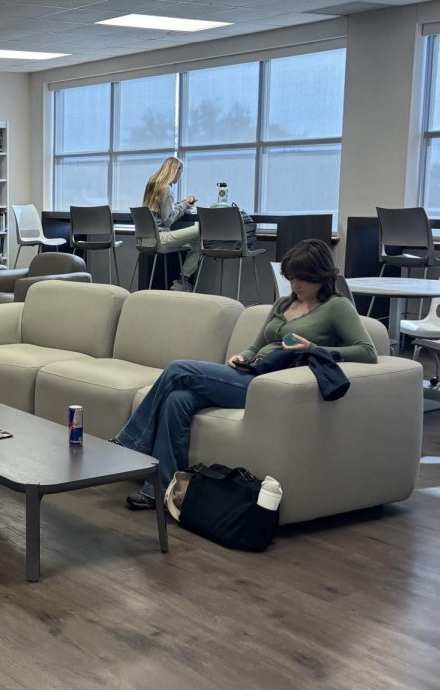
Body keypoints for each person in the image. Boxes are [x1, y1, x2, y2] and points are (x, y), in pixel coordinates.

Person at [115, 239, 378, 510]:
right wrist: (244, 356)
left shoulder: (337, 307)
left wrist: (314, 348)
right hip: (251, 372)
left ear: (320, 276)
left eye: (302, 279)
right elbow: (257, 345)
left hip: (271, 384)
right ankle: (160, 491)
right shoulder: (284, 303)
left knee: (177, 369)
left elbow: (367, 352)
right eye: (291, 278)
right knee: (177, 400)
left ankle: (129, 442)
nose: (295, 285)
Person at [141, 156, 202, 292]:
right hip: (161, 238)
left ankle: (183, 281)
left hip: (146, 240)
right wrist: (185, 205)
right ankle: (183, 280)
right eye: (180, 172)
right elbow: (168, 219)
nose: (180, 177)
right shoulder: (166, 189)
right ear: (175, 171)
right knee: (201, 230)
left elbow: (161, 211)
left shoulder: (152, 185)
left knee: (195, 243)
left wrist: (179, 205)